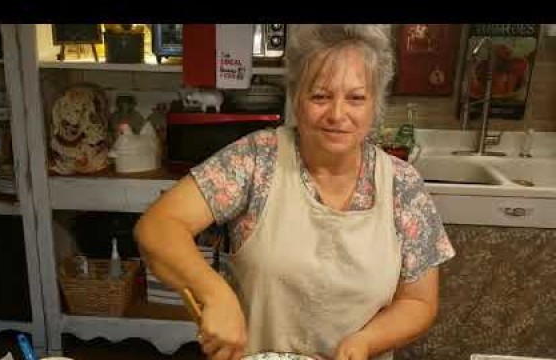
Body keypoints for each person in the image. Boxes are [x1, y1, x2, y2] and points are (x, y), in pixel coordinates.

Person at [134, 24, 455, 360]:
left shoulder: (402, 185)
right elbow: (158, 226)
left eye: (356, 98)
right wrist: (216, 295)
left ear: (375, 105)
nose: (337, 114)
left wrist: (365, 342)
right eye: (320, 96)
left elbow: (418, 301)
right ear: (296, 98)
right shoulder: (257, 158)